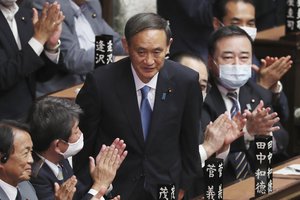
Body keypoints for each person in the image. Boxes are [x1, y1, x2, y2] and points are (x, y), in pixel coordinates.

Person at [73, 13, 202, 199]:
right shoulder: (101, 83)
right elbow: (84, 147)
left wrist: (183, 187)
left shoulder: (186, 81)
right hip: (115, 190)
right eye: (141, 52)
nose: (149, 61)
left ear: (169, 46)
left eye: (157, 52)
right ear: (126, 45)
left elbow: (190, 142)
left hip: (166, 188)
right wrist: (92, 192)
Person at [203, 25, 289, 184]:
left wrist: (264, 133)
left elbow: (283, 138)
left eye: (244, 57)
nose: (237, 64)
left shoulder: (258, 92)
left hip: (257, 181)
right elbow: (204, 152)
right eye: (228, 57)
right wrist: (247, 132)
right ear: (210, 61)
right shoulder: (202, 97)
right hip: (215, 184)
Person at [27, 97, 127, 200]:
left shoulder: (61, 159)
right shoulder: (36, 176)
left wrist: (103, 182)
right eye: (76, 131)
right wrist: (99, 184)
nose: (80, 133)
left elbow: (78, 195)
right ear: (58, 145)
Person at [212, 0, 292, 123]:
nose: (244, 29)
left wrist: (273, 86)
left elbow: (283, 120)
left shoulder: (256, 61)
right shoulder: (203, 67)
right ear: (217, 24)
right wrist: (262, 87)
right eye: (236, 22)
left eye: (250, 23)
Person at [32, 0, 126, 96]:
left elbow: (112, 42)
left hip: (93, 83)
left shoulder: (91, 4)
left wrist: (132, 45)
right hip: (61, 93)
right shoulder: (50, 4)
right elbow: (72, 59)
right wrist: (112, 59)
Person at [0, 0, 65, 120]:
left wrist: (50, 46)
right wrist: (39, 39)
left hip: (29, 115)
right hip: (5, 122)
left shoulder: (24, 12)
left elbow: (39, 74)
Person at [0, 120, 38, 200]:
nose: (31, 160)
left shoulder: (26, 187)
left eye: (30, 152)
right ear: (2, 157)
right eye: (25, 153)